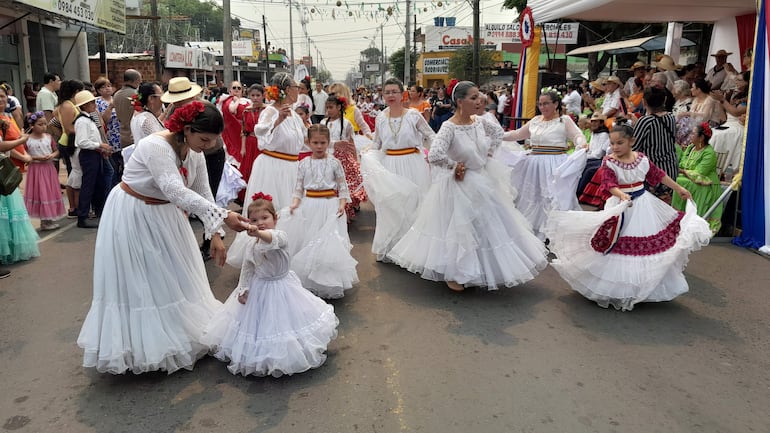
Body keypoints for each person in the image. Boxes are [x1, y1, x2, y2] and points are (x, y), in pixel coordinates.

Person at [76, 101, 250, 374]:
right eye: (203, 139)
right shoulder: (155, 146)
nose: (206, 145)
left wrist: (215, 232)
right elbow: (174, 190)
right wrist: (225, 216)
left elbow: (203, 192)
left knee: (174, 275)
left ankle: (177, 333)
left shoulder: (194, 150)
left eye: (212, 140)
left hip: (165, 215)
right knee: (144, 278)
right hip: (134, 212)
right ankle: (142, 346)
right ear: (187, 129)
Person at [387, 81, 548, 292]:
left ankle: (481, 268)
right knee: (459, 229)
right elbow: (435, 155)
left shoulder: (481, 122)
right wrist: (454, 166)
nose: (479, 100)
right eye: (473, 97)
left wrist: (489, 152)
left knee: (487, 226)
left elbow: (501, 135)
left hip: (483, 179)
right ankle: (456, 272)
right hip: (459, 185)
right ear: (460, 102)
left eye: (479, 96)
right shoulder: (449, 127)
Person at [543, 125, 711, 311]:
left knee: (646, 247)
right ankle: (615, 288)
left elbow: (659, 175)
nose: (615, 147)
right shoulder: (609, 162)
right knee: (614, 244)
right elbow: (608, 183)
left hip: (643, 205)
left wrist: (678, 188)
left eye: (620, 143)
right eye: (612, 143)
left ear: (632, 141)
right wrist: (621, 195)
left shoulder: (642, 159)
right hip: (620, 206)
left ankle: (641, 288)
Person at [200, 194, 338, 377]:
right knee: (258, 323)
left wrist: (256, 231)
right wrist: (243, 288)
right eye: (255, 220)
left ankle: (288, 354)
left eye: (265, 218)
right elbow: (247, 268)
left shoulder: (280, 236)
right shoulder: (251, 245)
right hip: (259, 287)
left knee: (283, 321)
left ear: (275, 218)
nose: (260, 222)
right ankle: (261, 356)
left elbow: (272, 240)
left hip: (282, 286)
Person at [499, 88, 588, 240]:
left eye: (546, 103)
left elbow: (577, 135)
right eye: (540, 104)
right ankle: (532, 230)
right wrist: (498, 135)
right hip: (534, 164)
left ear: (555, 104)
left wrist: (582, 143)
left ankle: (553, 232)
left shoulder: (564, 120)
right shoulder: (535, 121)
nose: (543, 107)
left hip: (555, 162)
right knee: (533, 196)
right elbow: (517, 134)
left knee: (553, 197)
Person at [361, 77, 435, 260]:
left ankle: (412, 251)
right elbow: (377, 143)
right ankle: (391, 248)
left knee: (413, 206)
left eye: (394, 91)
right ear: (383, 95)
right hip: (389, 166)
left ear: (402, 94)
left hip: (412, 163)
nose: (391, 95)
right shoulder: (380, 118)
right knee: (390, 206)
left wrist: (435, 156)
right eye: (387, 92)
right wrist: (368, 152)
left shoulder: (413, 116)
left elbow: (430, 135)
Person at [281, 124, 358, 298]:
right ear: (308, 143)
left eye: (323, 142)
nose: (319, 146)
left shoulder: (334, 162)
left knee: (328, 244)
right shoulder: (303, 164)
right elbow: (298, 188)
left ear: (328, 142)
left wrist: (341, 204)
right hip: (309, 206)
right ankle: (308, 280)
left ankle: (328, 281)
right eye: (315, 142)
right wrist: (294, 203)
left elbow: (342, 186)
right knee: (309, 240)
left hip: (329, 205)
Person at [241, 72, 305, 212]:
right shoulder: (270, 111)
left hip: (292, 169)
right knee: (275, 209)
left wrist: (333, 143)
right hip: (274, 168)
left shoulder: (295, 115)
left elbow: (306, 140)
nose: (298, 91)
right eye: (296, 87)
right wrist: (277, 121)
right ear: (288, 89)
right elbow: (260, 131)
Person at [0, 87, 40, 265]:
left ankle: (11, 248)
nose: (1, 100)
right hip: (4, 168)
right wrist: (22, 144)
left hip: (9, 168)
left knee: (10, 213)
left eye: (2, 97)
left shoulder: (7, 117)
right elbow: (3, 147)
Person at [671, 123, 723, 235]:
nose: (690, 135)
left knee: (679, 181)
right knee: (675, 179)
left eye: (693, 133)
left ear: (701, 137)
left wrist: (684, 171)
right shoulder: (690, 148)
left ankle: (689, 221)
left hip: (706, 183)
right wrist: (683, 170)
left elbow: (700, 172)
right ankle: (679, 219)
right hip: (690, 178)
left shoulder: (709, 153)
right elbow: (682, 163)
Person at [72, 90, 112, 229]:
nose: (93, 104)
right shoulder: (83, 121)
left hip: (94, 153)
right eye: (91, 102)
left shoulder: (88, 119)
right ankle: (82, 216)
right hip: (89, 154)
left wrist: (100, 147)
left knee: (96, 183)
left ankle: (97, 210)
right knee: (88, 185)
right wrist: (99, 145)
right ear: (84, 105)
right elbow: (82, 142)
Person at [321, 94, 364, 222]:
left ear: (339, 107)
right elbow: (319, 141)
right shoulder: (323, 123)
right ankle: (330, 212)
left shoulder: (346, 124)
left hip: (342, 160)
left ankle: (344, 212)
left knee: (343, 187)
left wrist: (355, 160)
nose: (328, 110)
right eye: (327, 108)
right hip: (327, 158)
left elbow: (351, 143)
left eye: (331, 107)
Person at [632, 87, 680, 201]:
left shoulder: (645, 121)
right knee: (664, 206)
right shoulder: (671, 117)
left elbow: (633, 146)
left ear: (644, 102)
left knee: (651, 207)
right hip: (670, 168)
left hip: (653, 171)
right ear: (664, 100)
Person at [22, 111, 65, 230]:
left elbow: (56, 150)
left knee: (49, 192)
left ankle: (48, 219)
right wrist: (36, 158)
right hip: (36, 170)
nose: (43, 127)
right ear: (32, 126)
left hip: (48, 168)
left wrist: (52, 155)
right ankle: (44, 221)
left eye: (45, 124)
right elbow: (24, 153)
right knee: (41, 193)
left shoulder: (49, 137)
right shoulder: (27, 139)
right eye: (40, 124)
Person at [238, 84, 266, 202]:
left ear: (263, 96)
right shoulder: (246, 111)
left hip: (263, 144)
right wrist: (243, 148)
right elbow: (243, 131)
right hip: (250, 143)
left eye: (258, 95)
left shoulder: (267, 110)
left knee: (261, 170)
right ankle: (246, 198)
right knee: (248, 170)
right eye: (252, 95)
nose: (255, 98)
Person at [94, 77, 121, 187]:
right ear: (99, 90)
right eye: (103, 87)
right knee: (112, 167)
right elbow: (103, 120)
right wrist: (110, 107)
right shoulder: (97, 102)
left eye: (109, 86)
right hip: (109, 137)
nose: (107, 89)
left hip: (121, 137)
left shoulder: (117, 99)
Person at [576, 113, 610, 197]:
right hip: (591, 158)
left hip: (599, 160)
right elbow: (590, 149)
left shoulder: (604, 134)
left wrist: (585, 157)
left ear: (601, 123)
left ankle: (579, 192)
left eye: (596, 122)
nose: (593, 124)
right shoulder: (593, 133)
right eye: (592, 122)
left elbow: (598, 154)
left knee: (588, 169)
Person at [221, 80, 249, 167]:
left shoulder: (247, 101)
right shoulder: (228, 101)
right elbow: (231, 110)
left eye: (239, 88)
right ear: (230, 90)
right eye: (234, 88)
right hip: (233, 132)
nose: (236, 90)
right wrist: (236, 100)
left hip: (246, 133)